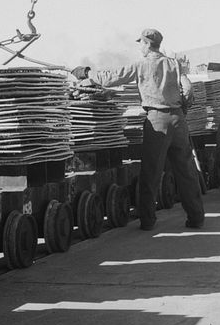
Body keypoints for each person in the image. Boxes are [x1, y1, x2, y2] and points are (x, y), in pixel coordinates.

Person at [72, 28, 204, 231]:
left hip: (157, 120)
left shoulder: (141, 64)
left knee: (151, 171)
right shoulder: (174, 64)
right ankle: (196, 218)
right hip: (178, 120)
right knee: (186, 171)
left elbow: (110, 78)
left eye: (140, 43)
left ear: (146, 44)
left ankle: (148, 221)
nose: (139, 47)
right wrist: (182, 109)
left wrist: (86, 73)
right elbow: (187, 88)